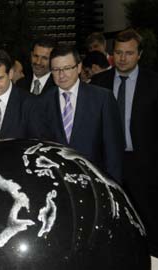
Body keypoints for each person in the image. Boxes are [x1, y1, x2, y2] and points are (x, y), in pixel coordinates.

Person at [90, 28, 158, 258]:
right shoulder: (99, 82)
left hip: (144, 165)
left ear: (139, 54)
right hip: (107, 164)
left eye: (129, 53)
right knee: (111, 219)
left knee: (149, 220)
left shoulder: (154, 82)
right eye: (118, 52)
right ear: (112, 54)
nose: (123, 58)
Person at [32, 45, 124, 183]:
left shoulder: (102, 98)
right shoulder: (41, 102)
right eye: (56, 70)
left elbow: (113, 152)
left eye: (67, 68)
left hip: (96, 182)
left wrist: (114, 188)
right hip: (57, 183)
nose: (61, 75)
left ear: (79, 67)